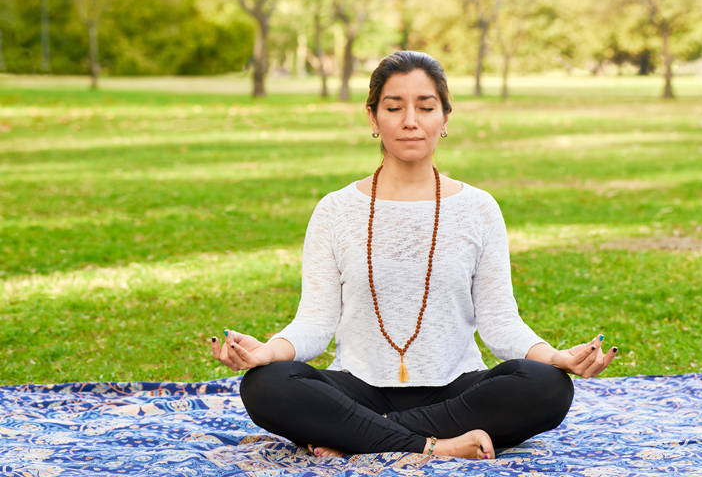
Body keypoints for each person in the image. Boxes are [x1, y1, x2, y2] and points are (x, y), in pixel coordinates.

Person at [211, 51, 617, 460]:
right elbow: (315, 322)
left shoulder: (479, 208)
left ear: (445, 119)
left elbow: (499, 321)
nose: (410, 121)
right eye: (394, 107)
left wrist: (556, 357)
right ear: (373, 118)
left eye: (426, 107)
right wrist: (267, 352)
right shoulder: (335, 210)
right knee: (264, 384)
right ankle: (436, 447)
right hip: (358, 388)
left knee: (548, 386)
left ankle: (358, 438)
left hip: (456, 392)